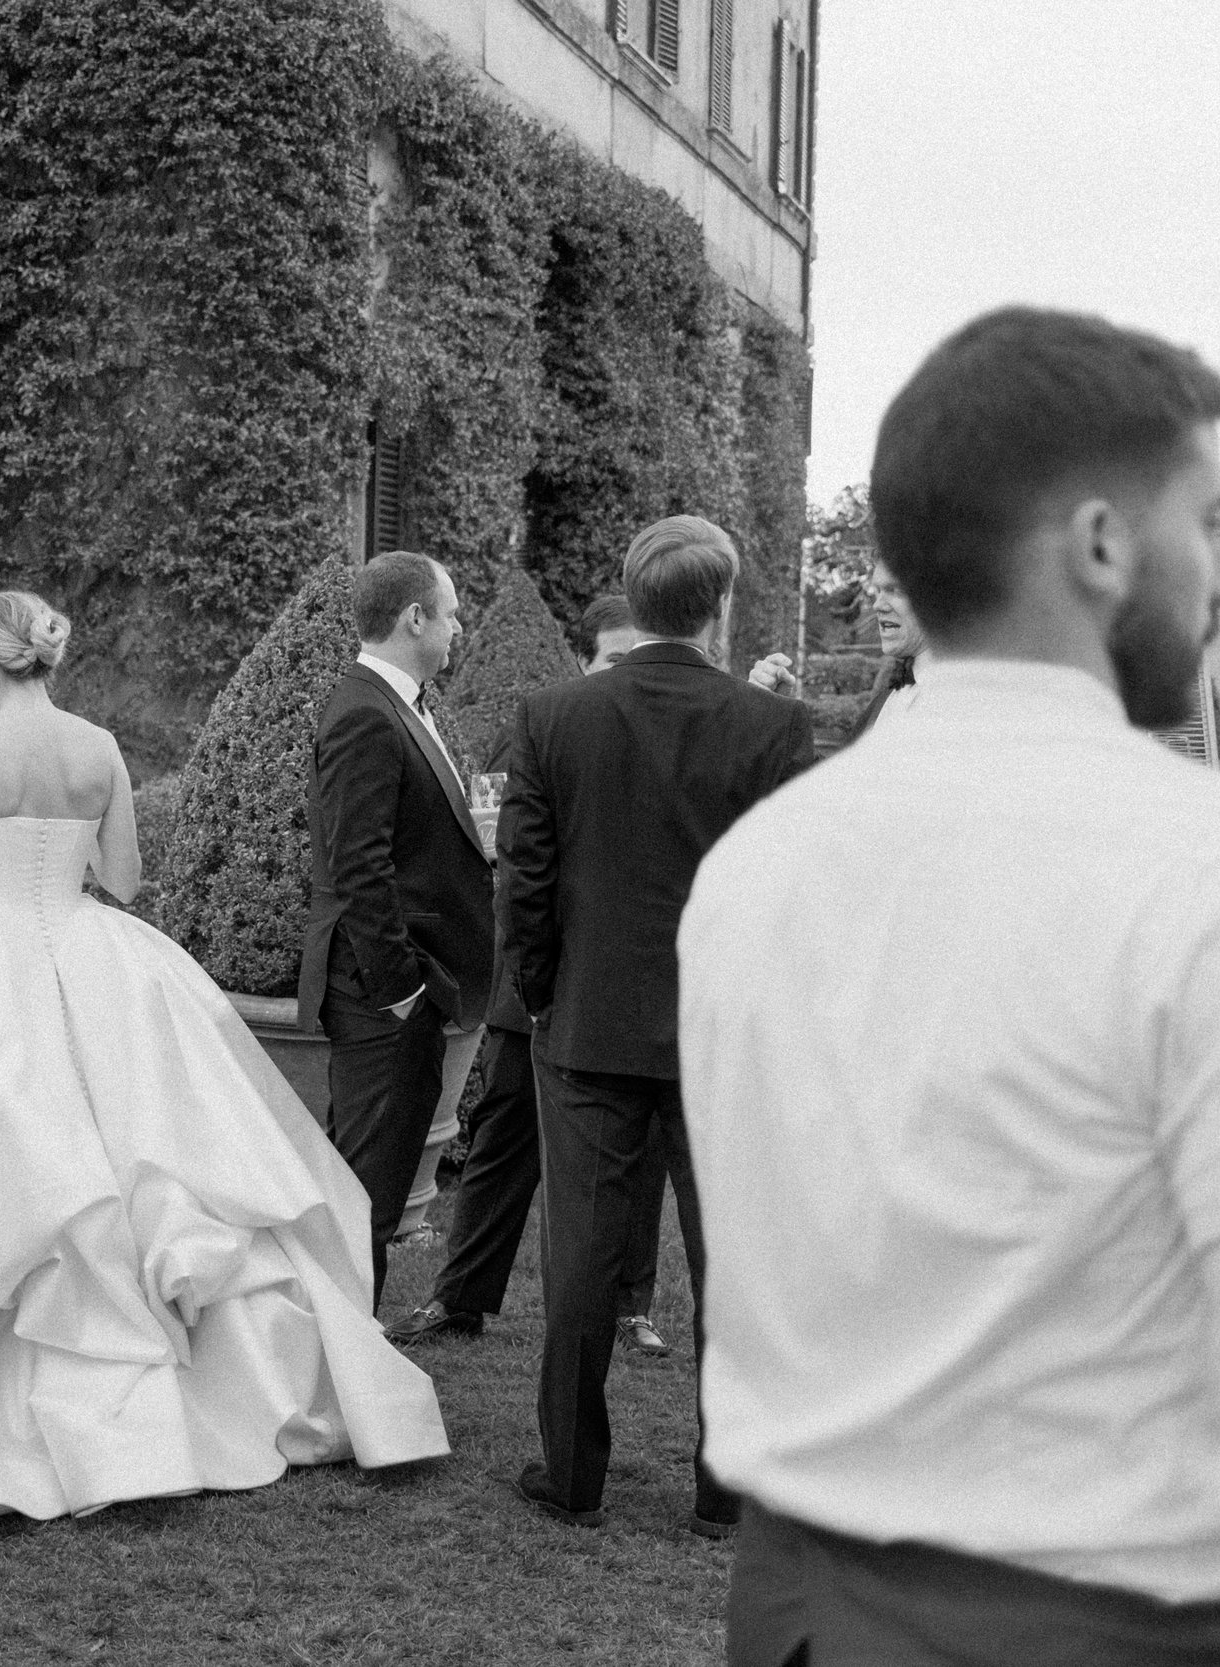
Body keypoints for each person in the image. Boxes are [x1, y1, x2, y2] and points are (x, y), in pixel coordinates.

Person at [683, 308, 1220, 1665]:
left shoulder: (757, 860)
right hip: (1079, 1626)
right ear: (1100, 544)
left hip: (784, 1616)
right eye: (1205, 526)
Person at [0, 590, 450, 1524]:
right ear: (48, 658)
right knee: (140, 1145)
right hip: (89, 949)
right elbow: (124, 880)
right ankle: (178, 1380)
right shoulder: (98, 749)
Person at [501, 516, 814, 1538]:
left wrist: (542, 992)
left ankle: (572, 1477)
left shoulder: (555, 713)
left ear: (633, 601)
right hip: (722, 1034)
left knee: (582, 1257)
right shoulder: (771, 726)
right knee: (731, 1263)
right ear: (719, 607)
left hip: (590, 1022)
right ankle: (725, 1490)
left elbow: (525, 882)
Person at [388, 595, 675, 1359]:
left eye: (637, 656)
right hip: (538, 976)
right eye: (613, 659)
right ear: (585, 660)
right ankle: (459, 1296)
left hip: (632, 982)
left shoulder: (668, 736)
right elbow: (509, 852)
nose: (627, 672)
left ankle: (627, 1306)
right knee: (501, 1139)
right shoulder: (545, 728)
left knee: (637, 1150)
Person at [298, 551, 496, 1307]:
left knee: (369, 1189)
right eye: (450, 613)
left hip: (401, 991)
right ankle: (347, 1349)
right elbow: (358, 865)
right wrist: (403, 991)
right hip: (381, 996)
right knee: (366, 1195)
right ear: (414, 618)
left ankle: (348, 1340)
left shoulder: (398, 704)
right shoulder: (365, 712)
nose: (458, 628)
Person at [845, 558, 926, 740]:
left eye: (896, 591)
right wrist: (781, 710)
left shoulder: (974, 706)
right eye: (878, 591)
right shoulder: (883, 704)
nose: (877, 605)